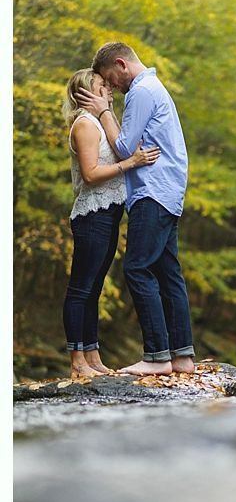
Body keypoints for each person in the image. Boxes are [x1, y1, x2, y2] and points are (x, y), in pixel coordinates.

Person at [77, 42, 196, 376]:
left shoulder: (142, 92)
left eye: (109, 79)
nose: (111, 87)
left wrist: (103, 111)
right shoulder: (154, 88)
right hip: (168, 191)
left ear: (120, 64)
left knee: (137, 269)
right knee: (167, 271)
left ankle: (157, 356)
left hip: (152, 192)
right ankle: (182, 357)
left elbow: (126, 148)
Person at [61, 68, 160, 377]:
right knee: (81, 288)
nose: (109, 88)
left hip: (109, 213)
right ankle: (77, 361)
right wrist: (130, 163)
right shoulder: (85, 125)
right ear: (86, 95)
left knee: (94, 289)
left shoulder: (103, 121)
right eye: (101, 85)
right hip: (92, 215)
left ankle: (93, 357)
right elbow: (90, 174)